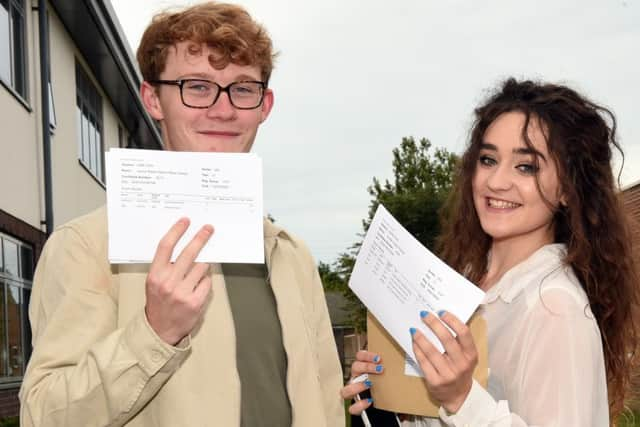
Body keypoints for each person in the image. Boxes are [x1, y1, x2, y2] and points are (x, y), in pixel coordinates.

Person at [19, 3, 344, 426]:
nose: (223, 109)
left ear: (265, 105)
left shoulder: (291, 254)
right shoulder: (88, 246)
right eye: (197, 86)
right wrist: (154, 333)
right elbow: (43, 415)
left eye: (243, 88)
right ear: (153, 98)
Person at [341, 78, 640, 426]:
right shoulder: (464, 282)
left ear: (568, 191)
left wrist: (461, 398)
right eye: (487, 159)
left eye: (526, 166)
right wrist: (384, 402)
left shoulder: (554, 306)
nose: (496, 181)